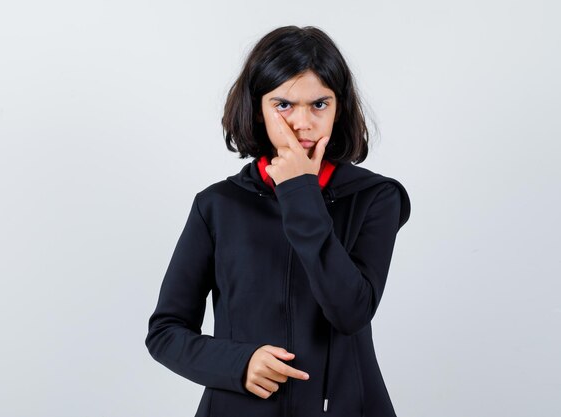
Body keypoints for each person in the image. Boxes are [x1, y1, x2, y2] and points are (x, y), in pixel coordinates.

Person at [145, 25, 411, 417]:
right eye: (283, 105)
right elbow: (165, 332)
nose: (302, 123)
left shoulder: (375, 198)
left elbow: (351, 311)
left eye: (319, 104)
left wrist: (300, 194)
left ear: (339, 108)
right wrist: (238, 363)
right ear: (257, 108)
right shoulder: (218, 205)